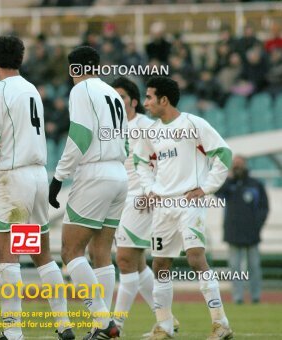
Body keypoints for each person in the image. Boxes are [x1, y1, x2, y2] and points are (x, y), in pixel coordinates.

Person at [0, 36, 74, 340]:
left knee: (7, 255)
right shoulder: (32, 89)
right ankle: (63, 323)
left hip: (12, 176)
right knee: (42, 254)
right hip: (36, 176)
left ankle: (13, 330)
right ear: (20, 59)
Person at [134, 76, 233, 340]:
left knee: (195, 257)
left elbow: (223, 153)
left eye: (149, 97)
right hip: (163, 206)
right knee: (160, 264)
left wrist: (208, 187)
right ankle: (164, 326)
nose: (145, 103)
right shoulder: (150, 132)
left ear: (163, 100)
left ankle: (220, 323)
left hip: (189, 202)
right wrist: (149, 189)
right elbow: (140, 161)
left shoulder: (193, 124)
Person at [49, 46, 128, 340]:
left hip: (95, 173)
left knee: (70, 251)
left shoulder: (81, 90)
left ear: (74, 70)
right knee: (101, 253)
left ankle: (103, 320)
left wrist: (58, 176)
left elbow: (80, 135)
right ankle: (101, 327)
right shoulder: (111, 94)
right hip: (119, 173)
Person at [111, 77, 180, 335]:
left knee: (124, 259)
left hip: (140, 198)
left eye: (122, 97)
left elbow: (166, 158)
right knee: (137, 264)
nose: (117, 102)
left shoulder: (145, 126)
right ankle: (167, 319)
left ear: (134, 101)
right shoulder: (111, 127)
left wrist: (156, 190)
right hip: (120, 197)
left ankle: (116, 324)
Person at [216, 155, 269, 304]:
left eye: (240, 164)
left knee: (254, 267)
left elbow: (264, 207)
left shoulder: (255, 184)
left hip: (252, 233)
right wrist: (230, 178)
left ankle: (256, 296)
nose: (237, 167)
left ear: (245, 165)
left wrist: (258, 225)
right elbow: (218, 193)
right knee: (235, 268)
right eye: (235, 164)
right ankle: (237, 297)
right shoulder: (229, 185)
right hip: (233, 233)